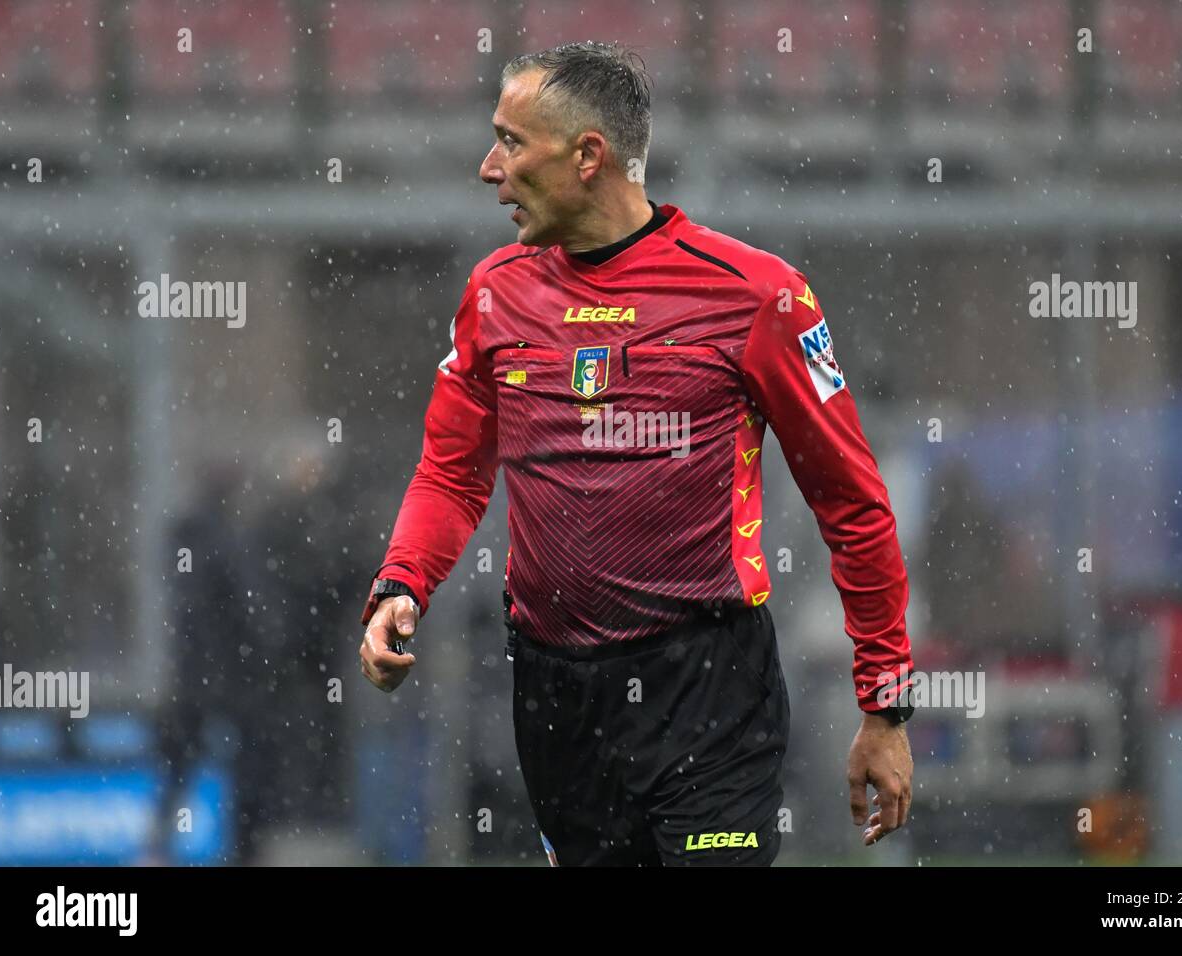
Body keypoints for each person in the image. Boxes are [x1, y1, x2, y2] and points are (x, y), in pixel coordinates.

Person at [359, 41, 915, 866]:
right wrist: (401, 582)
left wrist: (886, 707)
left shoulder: (758, 295)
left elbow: (851, 502)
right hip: (556, 695)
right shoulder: (493, 293)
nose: (488, 168)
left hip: (707, 689)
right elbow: (450, 470)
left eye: (511, 141)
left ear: (589, 156)